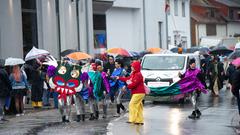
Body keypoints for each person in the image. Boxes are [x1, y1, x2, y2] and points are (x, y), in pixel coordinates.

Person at [117, 61, 145, 125]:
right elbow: (128, 78)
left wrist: (126, 86)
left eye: (133, 66)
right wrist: (119, 78)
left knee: (132, 104)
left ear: (136, 67)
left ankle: (132, 119)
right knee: (138, 106)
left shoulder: (138, 74)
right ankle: (139, 120)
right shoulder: (134, 73)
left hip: (139, 92)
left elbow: (134, 84)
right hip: (138, 92)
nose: (131, 67)